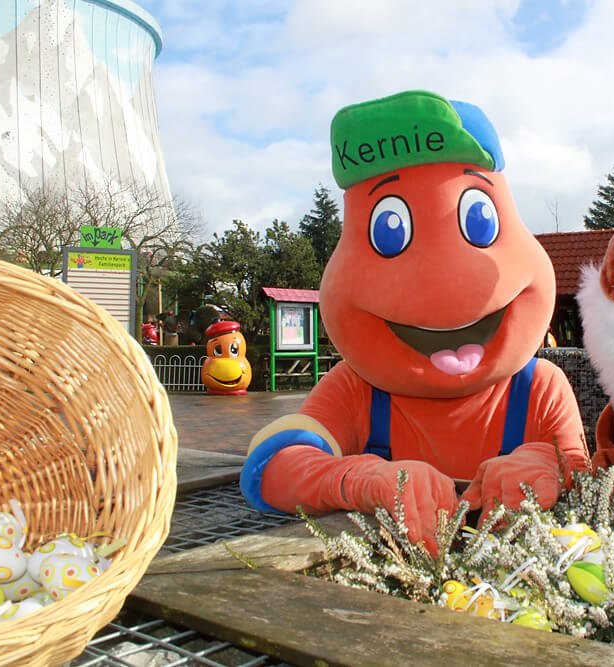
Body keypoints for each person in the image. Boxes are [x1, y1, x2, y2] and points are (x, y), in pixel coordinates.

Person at [240, 90, 589, 554]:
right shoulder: (358, 387)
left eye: (480, 220)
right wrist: (363, 479)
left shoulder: (540, 387)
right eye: (388, 231)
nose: (444, 281)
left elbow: (585, 478)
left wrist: (548, 465)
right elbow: (271, 468)